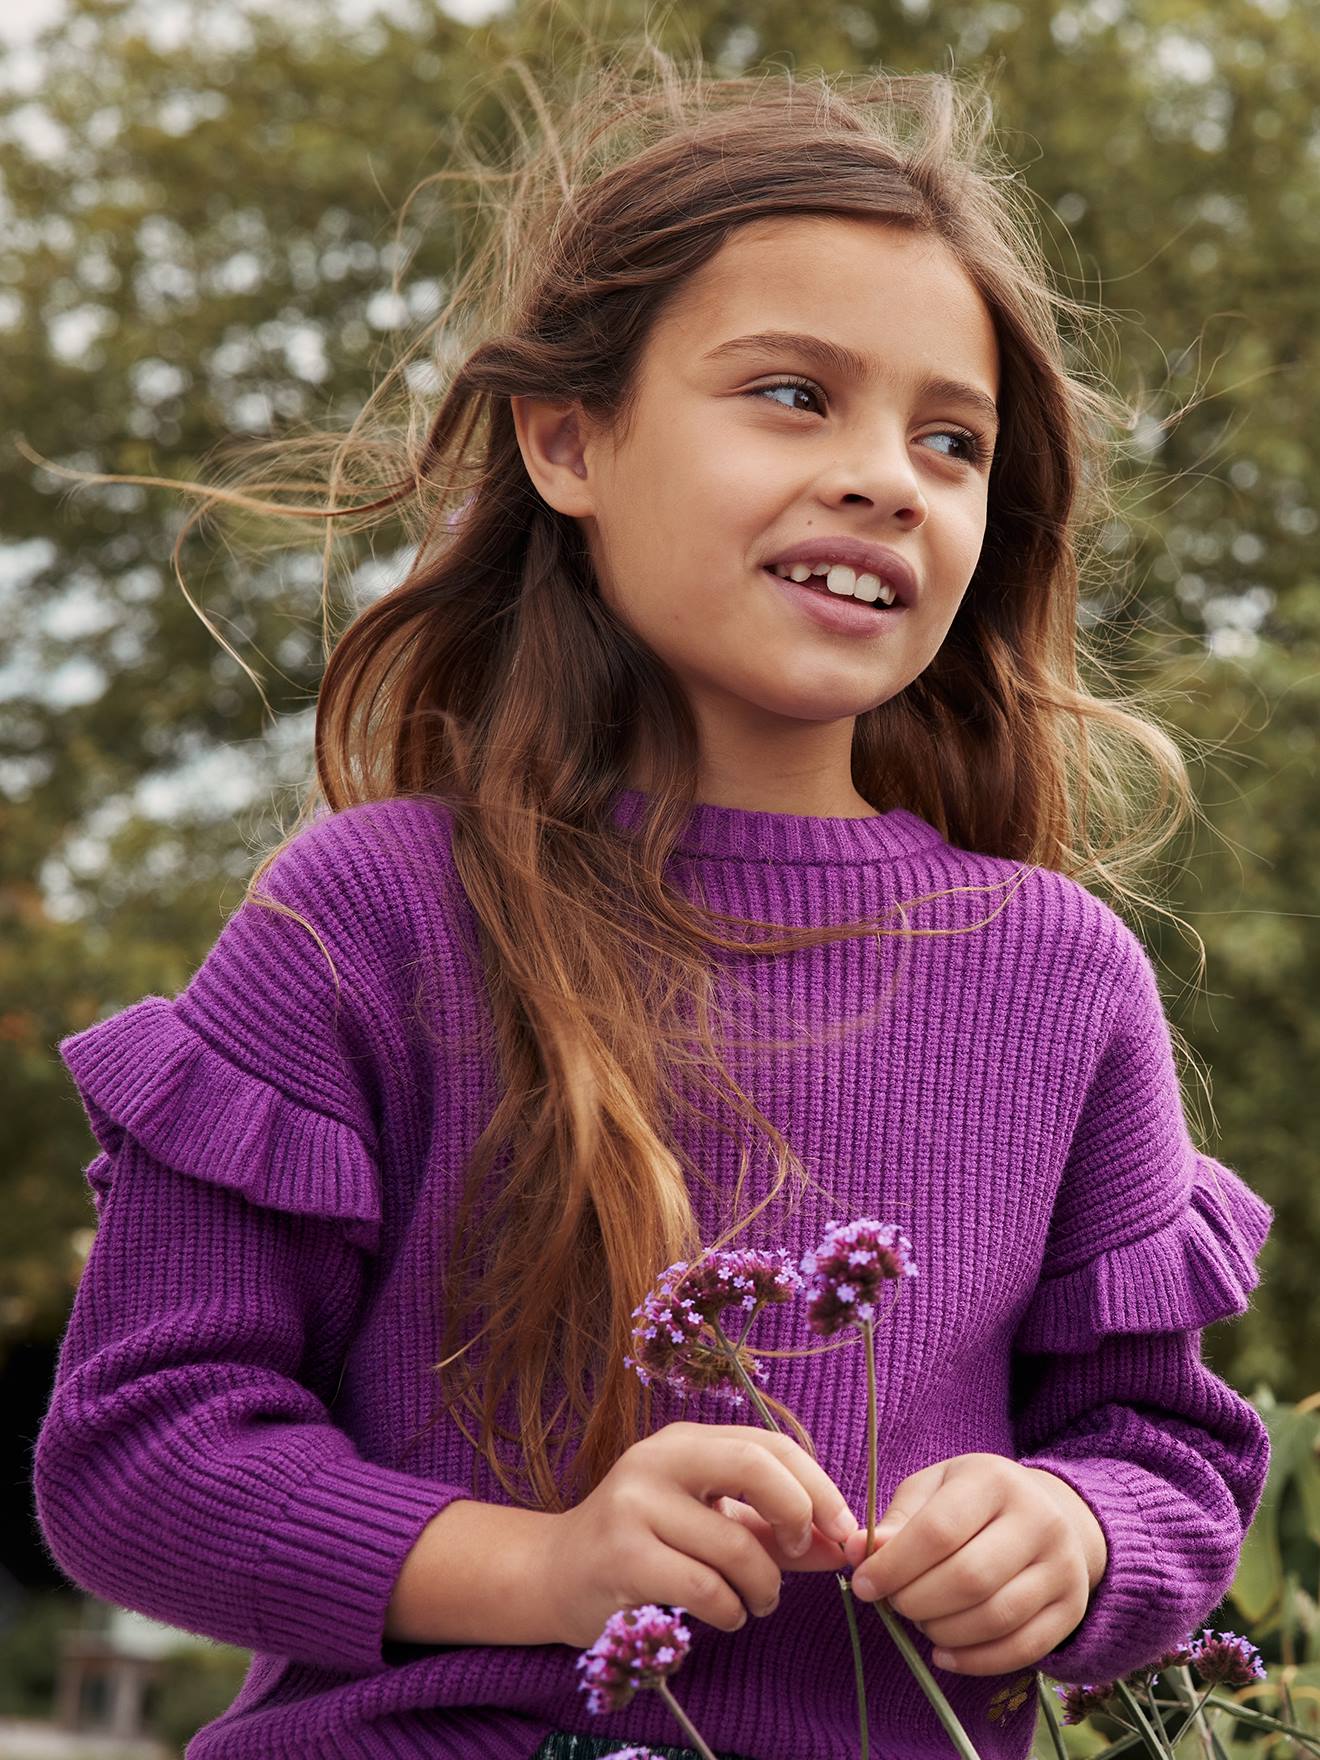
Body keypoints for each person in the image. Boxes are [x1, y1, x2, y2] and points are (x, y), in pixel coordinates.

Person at [32, 33, 1274, 1760]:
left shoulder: (1061, 976)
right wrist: (542, 1569)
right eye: (792, 393)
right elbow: (137, 1455)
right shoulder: (368, 916)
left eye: (952, 439)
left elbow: (1170, 1454)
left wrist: (1073, 1538)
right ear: (567, 440)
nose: (883, 475)